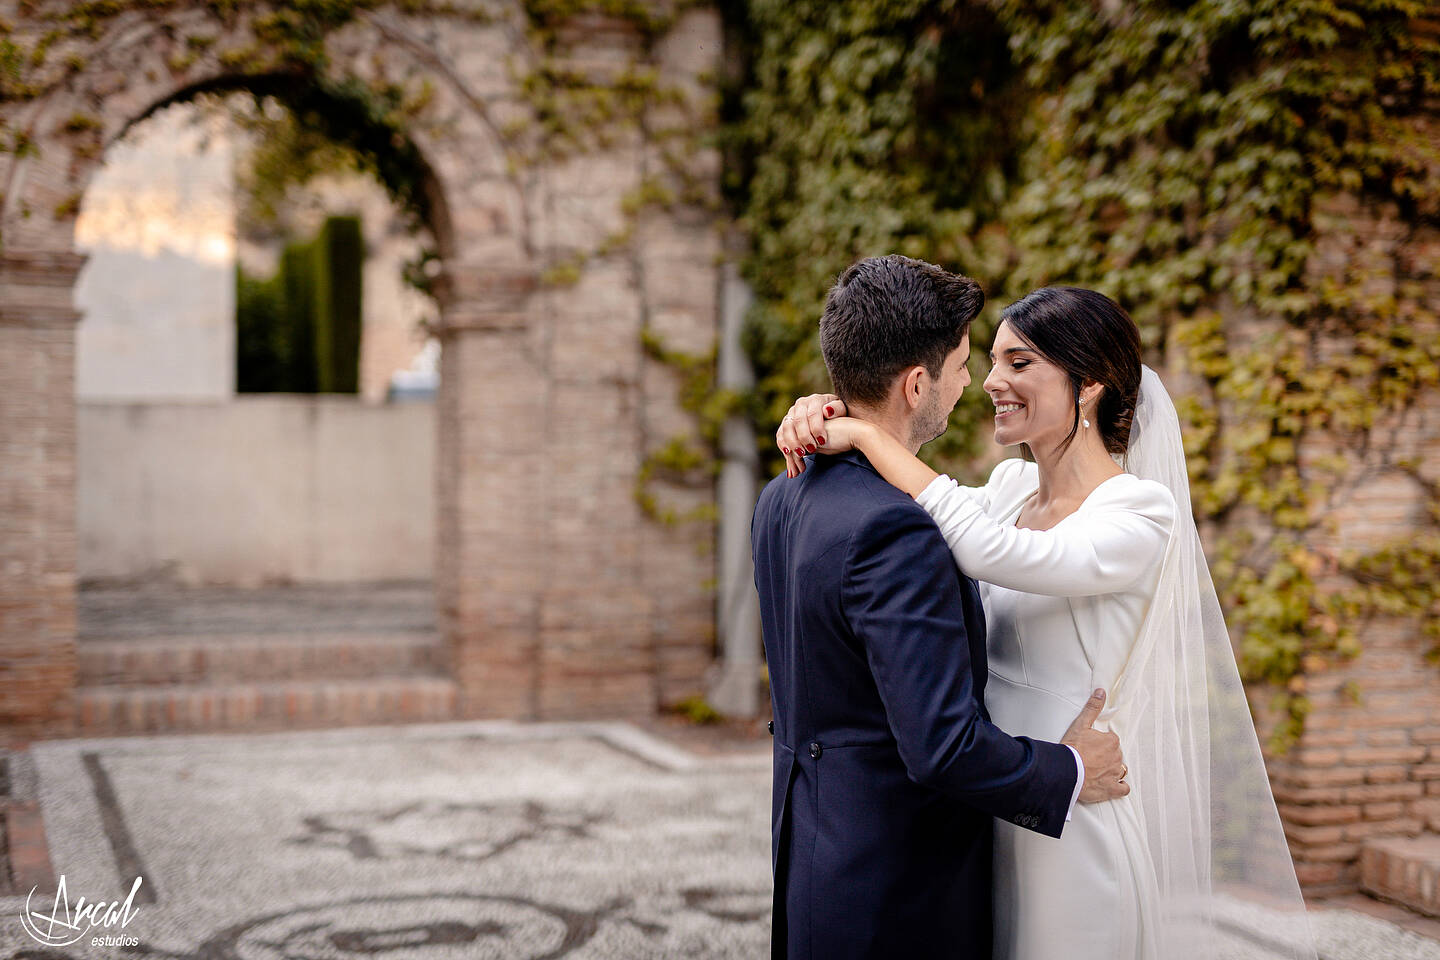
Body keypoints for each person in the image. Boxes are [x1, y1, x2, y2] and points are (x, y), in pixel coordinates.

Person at [776, 282, 1317, 959]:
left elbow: (988, 550)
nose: (992, 382)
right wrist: (819, 411)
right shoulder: (1004, 490)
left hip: (1071, 816)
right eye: (993, 361)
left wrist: (859, 431)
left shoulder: (1138, 514)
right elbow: (905, 513)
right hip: (993, 798)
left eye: (1020, 363)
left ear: (1088, 384)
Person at [751, 256, 1131, 960]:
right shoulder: (896, 528)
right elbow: (942, 746)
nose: (974, 384)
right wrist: (1070, 770)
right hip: (897, 886)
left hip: (812, 854)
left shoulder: (785, 494)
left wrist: (842, 421)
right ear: (916, 383)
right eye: (963, 364)